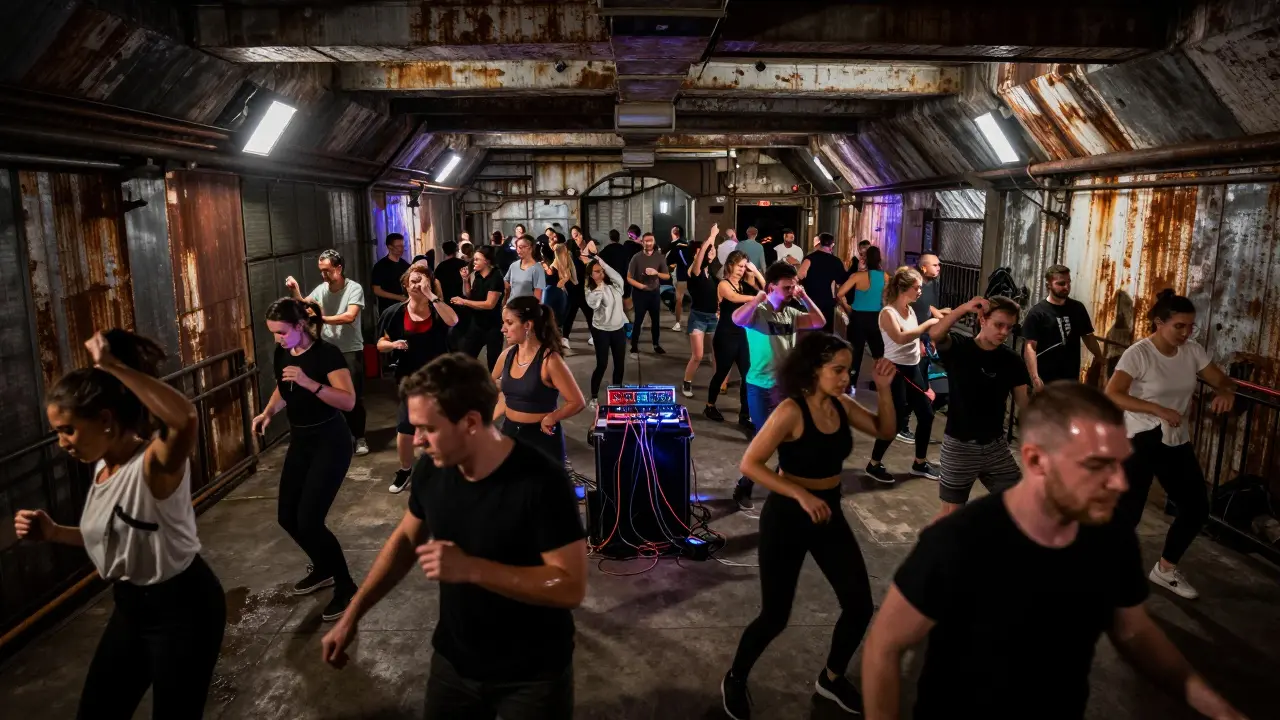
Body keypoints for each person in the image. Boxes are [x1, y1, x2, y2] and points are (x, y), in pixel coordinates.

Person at [861, 383, 1246, 720]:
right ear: (1035, 460)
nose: (1117, 482)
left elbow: (1132, 631)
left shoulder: (1111, 536)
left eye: (1118, 464)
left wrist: (1215, 706)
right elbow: (885, 645)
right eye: (1096, 465)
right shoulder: (960, 541)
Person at [320, 354, 588, 719]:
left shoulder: (541, 481)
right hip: (453, 662)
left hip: (531, 674)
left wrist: (473, 569)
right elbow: (404, 542)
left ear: (471, 423)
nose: (417, 441)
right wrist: (353, 615)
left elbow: (570, 586)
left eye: (428, 428)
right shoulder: (433, 468)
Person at [14, 329, 225, 719]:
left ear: (106, 420)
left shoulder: (153, 465)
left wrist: (112, 366)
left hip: (184, 609)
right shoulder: (101, 468)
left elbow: (184, 419)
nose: (62, 442)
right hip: (131, 608)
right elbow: (118, 538)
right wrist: (54, 533)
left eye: (68, 430)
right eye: (57, 432)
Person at [720, 335, 897, 720]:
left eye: (847, 370)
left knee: (859, 605)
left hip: (827, 511)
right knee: (775, 615)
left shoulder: (841, 404)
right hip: (787, 515)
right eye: (837, 369)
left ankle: (831, 678)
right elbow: (750, 464)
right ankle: (735, 676)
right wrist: (799, 494)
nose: (844, 377)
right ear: (813, 370)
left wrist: (883, 390)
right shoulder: (790, 411)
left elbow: (885, 431)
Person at [1106, 289, 1237, 600]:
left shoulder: (1192, 352)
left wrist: (1227, 392)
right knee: (1129, 512)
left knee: (1196, 508)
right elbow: (1113, 393)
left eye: (1191, 326)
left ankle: (1165, 569)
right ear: (1159, 323)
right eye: (1179, 326)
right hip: (1139, 437)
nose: (1186, 332)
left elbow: (1222, 380)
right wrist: (1156, 409)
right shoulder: (1139, 354)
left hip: (1175, 438)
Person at [251, 298, 359, 620]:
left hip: (331, 441)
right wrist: (269, 411)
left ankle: (346, 585)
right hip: (302, 441)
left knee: (310, 520)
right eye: (274, 334)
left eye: (282, 333)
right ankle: (323, 566)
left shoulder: (327, 355)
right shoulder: (282, 353)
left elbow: (348, 401)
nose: (278, 340)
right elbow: (283, 390)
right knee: (287, 517)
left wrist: (309, 383)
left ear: (300, 326)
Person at [731, 262, 827, 511]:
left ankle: (781, 486)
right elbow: (736, 318)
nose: (792, 291)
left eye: (794, 286)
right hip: (760, 388)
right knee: (767, 441)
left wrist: (804, 297)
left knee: (792, 441)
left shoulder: (792, 314)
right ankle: (745, 485)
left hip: (786, 389)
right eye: (787, 287)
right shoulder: (758, 312)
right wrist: (756, 299)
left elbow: (818, 321)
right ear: (772, 287)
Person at [926, 295, 1031, 520]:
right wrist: (964, 308)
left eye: (1009, 328)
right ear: (983, 320)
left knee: (1020, 502)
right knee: (952, 514)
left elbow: (1024, 404)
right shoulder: (960, 348)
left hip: (995, 447)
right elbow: (935, 334)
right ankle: (941, 552)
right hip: (960, 446)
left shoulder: (1011, 360)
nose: (1004, 332)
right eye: (998, 325)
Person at [378, 265, 459, 494]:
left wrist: (432, 295)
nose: (417, 285)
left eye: (422, 281)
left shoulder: (437, 310)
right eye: (413, 281)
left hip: (439, 379)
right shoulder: (394, 313)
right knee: (405, 428)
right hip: (409, 381)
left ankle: (445, 470)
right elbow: (380, 343)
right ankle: (405, 469)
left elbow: (453, 321)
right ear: (405, 285)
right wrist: (393, 345)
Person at [858, 267, 942, 484]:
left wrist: (921, 345)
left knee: (926, 415)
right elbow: (900, 337)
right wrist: (927, 326)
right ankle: (874, 464)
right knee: (894, 423)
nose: (921, 292)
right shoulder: (888, 313)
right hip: (895, 370)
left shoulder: (909, 309)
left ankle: (919, 463)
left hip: (912, 367)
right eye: (918, 288)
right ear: (905, 288)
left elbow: (911, 338)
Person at [286, 249, 369, 456]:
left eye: (327, 271)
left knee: (353, 397)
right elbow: (306, 305)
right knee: (330, 395)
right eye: (321, 271)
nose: (323, 275)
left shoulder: (354, 288)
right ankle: (342, 436)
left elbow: (349, 316)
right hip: (328, 350)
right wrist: (295, 291)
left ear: (339, 268)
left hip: (350, 349)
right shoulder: (322, 289)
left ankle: (359, 437)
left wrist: (321, 317)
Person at [492, 296, 587, 466]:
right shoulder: (506, 355)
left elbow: (577, 401)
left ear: (527, 325)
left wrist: (552, 417)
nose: (503, 329)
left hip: (540, 440)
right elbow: (504, 395)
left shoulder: (550, 360)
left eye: (509, 323)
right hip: (510, 435)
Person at [705, 252, 766, 427]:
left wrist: (755, 271)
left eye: (744, 267)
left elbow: (764, 289)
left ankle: (745, 414)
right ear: (730, 265)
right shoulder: (724, 284)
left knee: (747, 375)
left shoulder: (743, 284)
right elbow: (734, 298)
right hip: (725, 335)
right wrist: (755, 300)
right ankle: (710, 406)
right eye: (740, 266)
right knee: (722, 373)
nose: (742, 270)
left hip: (742, 335)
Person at [1024, 264, 1105, 388]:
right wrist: (1034, 377)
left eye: (1068, 283)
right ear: (1048, 285)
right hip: (1045, 379)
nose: (1066, 287)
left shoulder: (1077, 308)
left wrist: (1099, 357)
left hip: (1070, 379)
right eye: (1061, 284)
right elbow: (1030, 347)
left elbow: (1087, 335)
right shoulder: (1037, 313)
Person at [837, 246, 890, 390]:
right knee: (878, 352)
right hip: (876, 318)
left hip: (858, 318)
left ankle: (850, 383)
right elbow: (887, 298)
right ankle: (880, 382)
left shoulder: (857, 276)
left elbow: (840, 293)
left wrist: (847, 307)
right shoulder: (885, 277)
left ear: (865, 259)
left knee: (855, 352)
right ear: (879, 259)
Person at [583, 255, 629, 409]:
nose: (601, 273)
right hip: (601, 331)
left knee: (619, 364)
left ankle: (616, 396)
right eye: (597, 271)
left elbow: (616, 276)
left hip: (618, 330)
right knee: (602, 364)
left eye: (602, 271)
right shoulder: (590, 290)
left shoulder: (615, 286)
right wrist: (599, 288)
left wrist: (601, 261)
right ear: (591, 275)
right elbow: (594, 305)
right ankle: (594, 396)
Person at [680, 226, 721, 399]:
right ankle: (687, 382)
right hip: (698, 318)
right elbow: (704, 251)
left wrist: (713, 241)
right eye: (700, 253)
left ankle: (718, 383)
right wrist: (711, 236)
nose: (704, 254)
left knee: (715, 355)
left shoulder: (709, 270)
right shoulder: (693, 270)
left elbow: (709, 252)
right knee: (697, 355)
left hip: (713, 317)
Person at [453, 246, 507, 371]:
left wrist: (464, 302)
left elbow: (489, 304)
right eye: (474, 259)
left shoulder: (496, 277)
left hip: (492, 326)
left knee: (493, 363)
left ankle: (493, 387)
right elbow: (470, 295)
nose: (474, 262)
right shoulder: (477, 275)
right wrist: (465, 280)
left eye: (477, 259)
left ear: (487, 261)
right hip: (477, 324)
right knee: (465, 357)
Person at [626, 231, 671, 358]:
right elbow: (628, 277)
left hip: (654, 293)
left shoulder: (659, 257)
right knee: (638, 321)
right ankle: (634, 347)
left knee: (655, 321)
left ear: (654, 242)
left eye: (651, 240)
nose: (648, 243)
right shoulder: (636, 257)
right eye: (646, 241)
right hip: (639, 294)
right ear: (642, 242)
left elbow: (667, 276)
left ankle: (656, 344)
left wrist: (656, 273)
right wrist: (640, 285)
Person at [798, 232, 849, 334]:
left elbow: (800, 275)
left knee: (810, 330)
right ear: (832, 245)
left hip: (809, 301)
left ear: (819, 242)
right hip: (827, 302)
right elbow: (842, 281)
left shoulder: (809, 258)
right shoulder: (836, 261)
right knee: (826, 331)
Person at [434, 240, 469, 350]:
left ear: (444, 251)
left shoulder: (440, 267)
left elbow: (437, 286)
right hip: (462, 301)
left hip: (447, 302)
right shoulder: (463, 264)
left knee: (448, 331)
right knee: (463, 331)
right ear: (456, 250)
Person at [562, 227, 593, 346]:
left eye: (577, 234)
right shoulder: (570, 249)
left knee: (587, 312)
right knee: (572, 312)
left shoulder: (588, 247)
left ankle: (593, 336)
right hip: (574, 288)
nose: (575, 237)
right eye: (573, 235)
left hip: (582, 288)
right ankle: (565, 337)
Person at [371, 232, 411, 315]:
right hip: (388, 310)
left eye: (402, 246)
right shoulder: (380, 266)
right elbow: (377, 290)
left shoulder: (406, 265)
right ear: (389, 247)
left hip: (405, 308)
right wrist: (399, 297)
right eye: (398, 246)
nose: (401, 249)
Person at [553, 243, 583, 351]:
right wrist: (565, 278)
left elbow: (575, 280)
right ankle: (559, 339)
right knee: (560, 317)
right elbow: (556, 285)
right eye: (564, 252)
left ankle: (564, 337)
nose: (567, 254)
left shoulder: (570, 262)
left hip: (572, 293)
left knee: (569, 316)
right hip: (560, 295)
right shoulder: (554, 267)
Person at [539, 242, 569, 334]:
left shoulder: (549, 266)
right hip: (560, 291)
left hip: (550, 291)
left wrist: (544, 266)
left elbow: (550, 274)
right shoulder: (560, 262)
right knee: (557, 317)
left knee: (546, 315)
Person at [505, 235, 546, 302]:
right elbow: (507, 286)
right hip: (511, 306)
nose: (518, 250)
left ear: (531, 248)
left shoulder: (537, 268)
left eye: (521, 247)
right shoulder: (513, 266)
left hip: (527, 308)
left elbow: (538, 294)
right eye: (517, 247)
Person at [667, 226, 691, 332]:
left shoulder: (676, 246)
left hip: (681, 275)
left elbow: (668, 261)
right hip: (692, 276)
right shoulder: (689, 244)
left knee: (679, 300)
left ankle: (678, 323)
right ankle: (692, 323)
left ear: (675, 233)